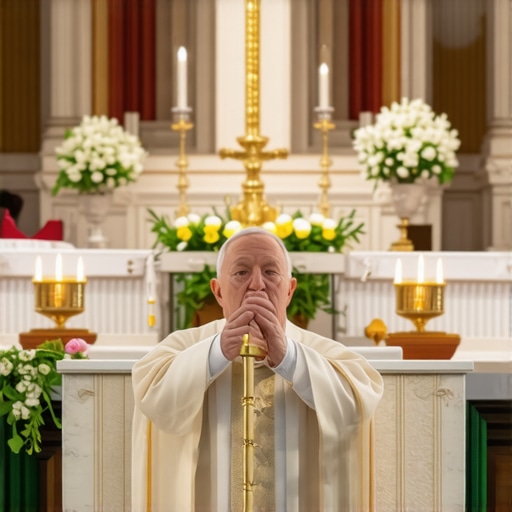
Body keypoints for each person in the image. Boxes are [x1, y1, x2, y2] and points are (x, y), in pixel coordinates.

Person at [131, 227, 384, 512]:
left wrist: (289, 357)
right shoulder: (184, 347)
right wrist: (216, 352)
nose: (257, 285)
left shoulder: (326, 353)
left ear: (289, 290)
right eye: (241, 273)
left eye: (271, 272)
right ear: (218, 292)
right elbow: (154, 396)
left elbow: (354, 405)